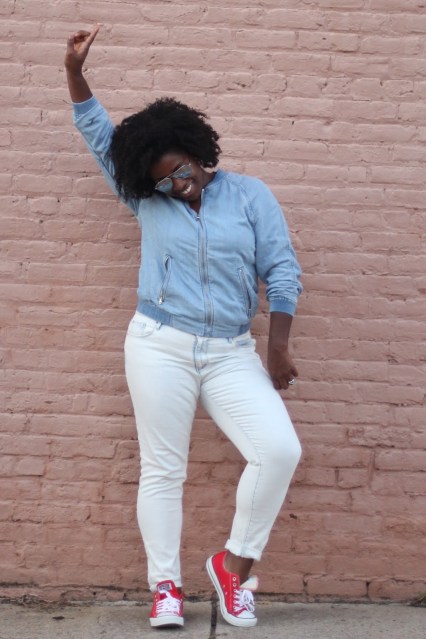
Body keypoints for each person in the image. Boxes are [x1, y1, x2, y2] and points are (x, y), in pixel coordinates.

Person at [64, 24, 303, 630]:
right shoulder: (147, 200)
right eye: (165, 181)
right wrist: (75, 74)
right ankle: (165, 587)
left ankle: (234, 566)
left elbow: (281, 270)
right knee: (163, 469)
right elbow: (99, 136)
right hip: (159, 345)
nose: (179, 185)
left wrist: (276, 346)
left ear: (198, 152)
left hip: (230, 352)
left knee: (279, 451)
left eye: (183, 171)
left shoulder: (249, 197)